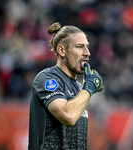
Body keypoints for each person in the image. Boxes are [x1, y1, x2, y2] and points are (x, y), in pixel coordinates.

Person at [28, 22, 103, 150]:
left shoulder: (80, 89)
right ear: (62, 50)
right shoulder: (47, 78)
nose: (87, 53)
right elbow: (68, 116)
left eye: (87, 47)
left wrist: (86, 89)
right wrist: (89, 87)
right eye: (79, 47)